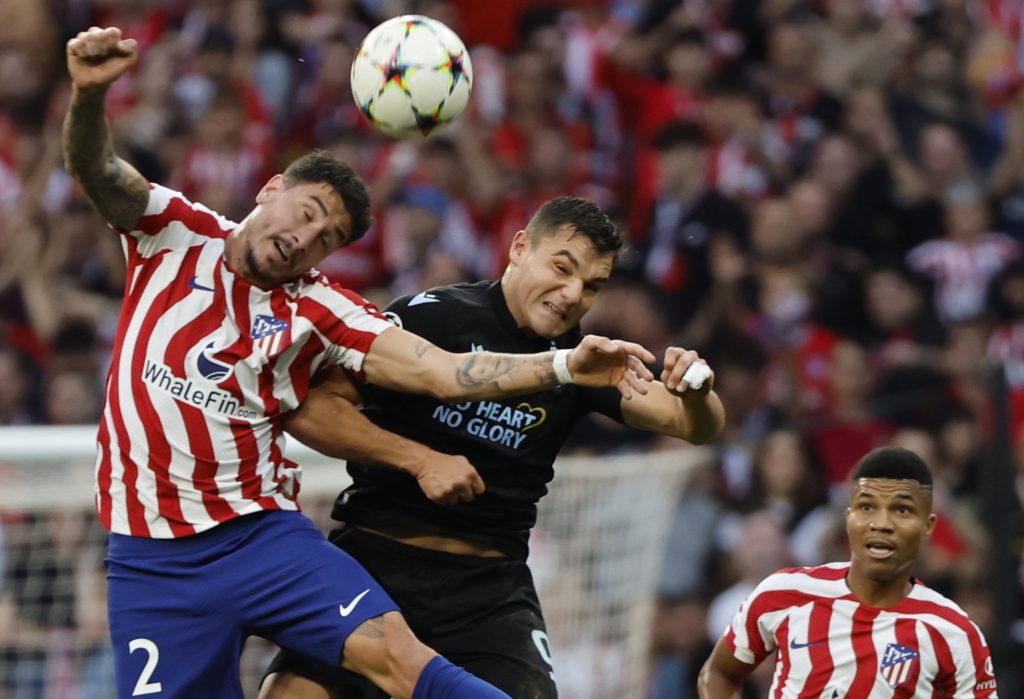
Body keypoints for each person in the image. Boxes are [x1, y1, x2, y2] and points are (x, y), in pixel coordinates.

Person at [63, 27, 656, 699]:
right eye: (307, 212)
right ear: (270, 188)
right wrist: (88, 96)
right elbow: (97, 169)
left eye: (328, 238)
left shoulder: (324, 310)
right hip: (151, 563)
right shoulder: (173, 231)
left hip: (260, 538)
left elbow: (441, 371)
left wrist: (563, 367)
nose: (306, 238)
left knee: (401, 661)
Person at [260, 195, 726, 698]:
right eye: (562, 268)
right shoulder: (433, 318)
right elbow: (313, 409)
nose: (572, 294)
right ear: (520, 247)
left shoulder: (585, 361)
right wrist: (418, 460)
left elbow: (696, 426)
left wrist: (696, 392)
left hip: (487, 593)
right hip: (372, 566)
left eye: (592, 285)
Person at [697, 447, 999, 698]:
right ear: (848, 518)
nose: (881, 524)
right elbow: (719, 673)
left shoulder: (954, 632)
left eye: (902, 510)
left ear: (927, 526)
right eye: (867, 507)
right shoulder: (782, 592)